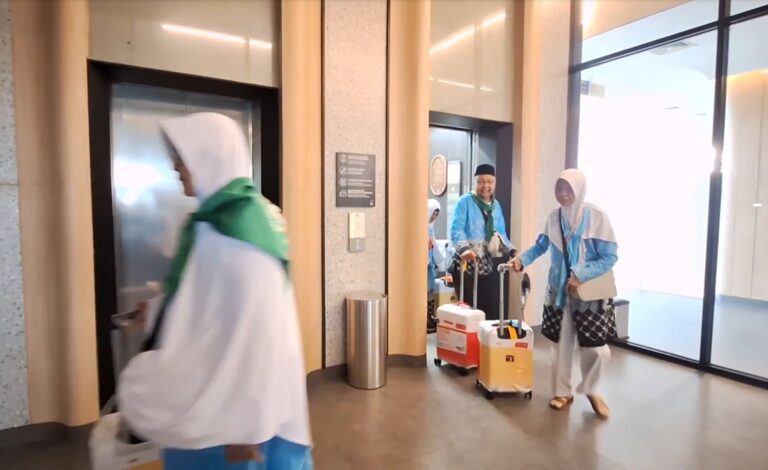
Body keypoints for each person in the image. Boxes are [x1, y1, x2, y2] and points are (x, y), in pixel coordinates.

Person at [118, 113, 313, 469]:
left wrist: (249, 429)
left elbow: (261, 333)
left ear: (212, 153)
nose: (176, 167)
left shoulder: (242, 229)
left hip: (234, 417)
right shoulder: (213, 222)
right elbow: (205, 300)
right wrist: (159, 312)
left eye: (183, 156)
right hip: (211, 393)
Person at [510, 169, 617, 419]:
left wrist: (582, 272)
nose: (563, 195)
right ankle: (563, 392)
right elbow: (541, 245)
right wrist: (521, 260)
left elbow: (610, 256)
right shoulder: (553, 217)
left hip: (588, 294)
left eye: (568, 189)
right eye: (559, 189)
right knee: (561, 346)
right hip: (558, 292)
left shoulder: (597, 218)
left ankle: (591, 388)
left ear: (579, 190)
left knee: (598, 349)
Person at [449, 164, 514, 320]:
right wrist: (464, 250)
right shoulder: (464, 202)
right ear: (475, 183)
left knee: (489, 306)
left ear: (494, 183)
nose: (486, 186)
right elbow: (456, 229)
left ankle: (486, 342)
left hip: (489, 262)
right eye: (481, 181)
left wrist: (512, 251)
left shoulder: (496, 205)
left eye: (490, 182)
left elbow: (501, 233)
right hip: (468, 262)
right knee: (469, 308)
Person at [427, 199, 445, 332]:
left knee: (431, 290)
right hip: (424, 263)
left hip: (429, 261)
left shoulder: (430, 227)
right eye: (433, 213)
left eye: (437, 214)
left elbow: (433, 243)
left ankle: (429, 318)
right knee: (425, 291)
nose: (435, 217)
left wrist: (441, 263)